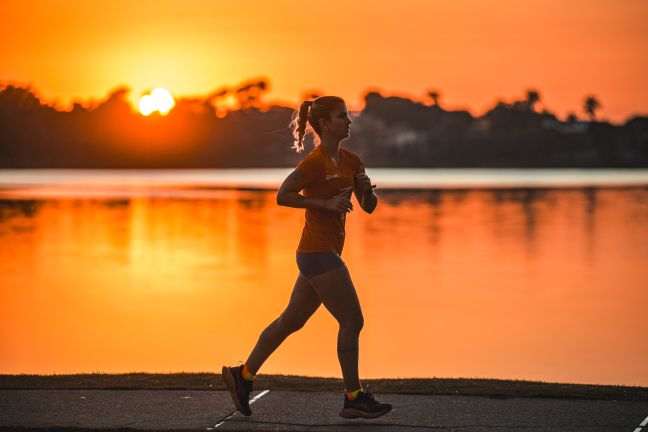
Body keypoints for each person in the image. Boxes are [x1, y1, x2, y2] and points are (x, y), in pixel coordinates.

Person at [222, 96, 392, 419]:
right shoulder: (314, 163)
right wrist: (325, 205)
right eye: (342, 117)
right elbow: (283, 195)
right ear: (325, 124)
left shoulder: (352, 162)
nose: (349, 121)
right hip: (316, 253)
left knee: (291, 320)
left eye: (348, 116)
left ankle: (241, 376)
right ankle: (353, 396)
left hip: (322, 254)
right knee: (352, 320)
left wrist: (368, 192)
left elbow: (368, 207)